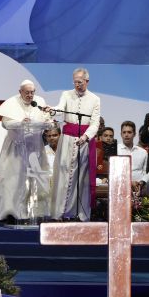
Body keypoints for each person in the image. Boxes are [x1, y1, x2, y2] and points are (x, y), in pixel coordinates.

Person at [0, 79, 53, 223]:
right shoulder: (12, 103)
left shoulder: (40, 101)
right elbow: (5, 123)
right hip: (16, 148)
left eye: (32, 92)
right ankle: (11, 212)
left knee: (35, 179)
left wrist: (48, 122)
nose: (30, 95)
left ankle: (33, 213)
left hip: (35, 147)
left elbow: (48, 121)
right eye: (27, 92)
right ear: (20, 92)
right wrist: (20, 122)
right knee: (14, 180)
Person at [47, 67, 101, 221]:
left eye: (80, 82)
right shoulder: (66, 94)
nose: (77, 84)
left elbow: (95, 122)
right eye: (75, 82)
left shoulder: (95, 99)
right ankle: (60, 212)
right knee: (64, 172)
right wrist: (51, 110)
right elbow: (59, 108)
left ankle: (78, 213)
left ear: (87, 81)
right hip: (67, 139)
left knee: (81, 177)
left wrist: (85, 137)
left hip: (83, 141)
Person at [116, 121, 149, 196]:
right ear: (121, 134)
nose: (126, 135)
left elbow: (147, 172)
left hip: (140, 188)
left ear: (134, 134)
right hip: (120, 187)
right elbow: (114, 173)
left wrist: (141, 182)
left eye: (129, 132)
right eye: (124, 132)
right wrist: (129, 183)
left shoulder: (143, 152)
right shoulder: (115, 151)